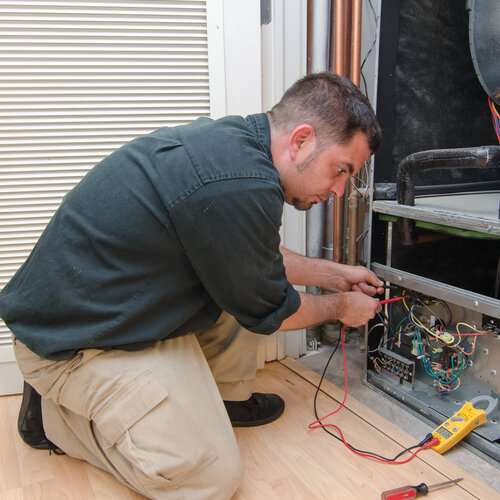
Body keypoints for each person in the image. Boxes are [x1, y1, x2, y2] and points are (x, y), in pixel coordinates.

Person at [0, 72, 383, 499]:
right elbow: (279, 309)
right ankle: (53, 420)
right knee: (209, 478)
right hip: (72, 343)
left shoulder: (237, 146)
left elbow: (249, 256)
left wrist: (333, 275)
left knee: (243, 286)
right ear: (301, 140)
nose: (338, 189)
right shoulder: (242, 184)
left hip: (106, 310)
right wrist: (341, 307)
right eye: (340, 170)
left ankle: (222, 400)